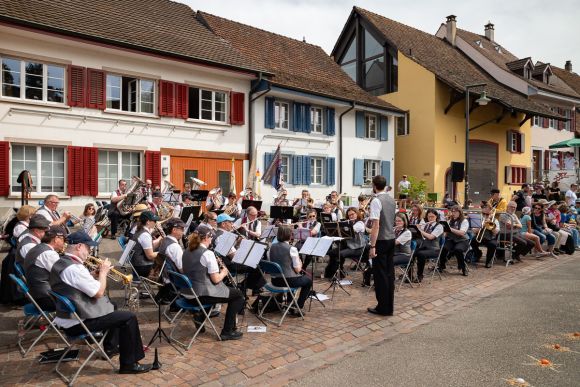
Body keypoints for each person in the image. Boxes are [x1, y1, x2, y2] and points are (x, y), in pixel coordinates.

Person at [51, 231, 151, 374]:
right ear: (79, 246)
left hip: (67, 318)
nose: (90, 251)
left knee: (112, 306)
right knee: (128, 318)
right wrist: (103, 274)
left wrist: (93, 275)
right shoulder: (75, 269)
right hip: (77, 323)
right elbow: (98, 293)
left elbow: (75, 283)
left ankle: (111, 347)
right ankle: (129, 364)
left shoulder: (63, 262)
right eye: (88, 247)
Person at [182, 224, 244, 340]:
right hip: (200, 295)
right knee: (238, 295)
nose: (212, 240)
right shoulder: (207, 254)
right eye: (211, 237)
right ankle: (227, 331)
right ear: (206, 237)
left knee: (222, 290)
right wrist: (224, 272)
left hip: (187, 293)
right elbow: (216, 279)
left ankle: (200, 317)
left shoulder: (186, 250)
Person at [367, 175, 396, 316]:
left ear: (374, 186)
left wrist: (372, 246)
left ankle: (383, 307)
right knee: (389, 274)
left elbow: (376, 225)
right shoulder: (391, 199)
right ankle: (388, 306)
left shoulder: (376, 201)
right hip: (391, 238)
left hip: (381, 240)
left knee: (381, 275)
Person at [268, 225, 312, 315]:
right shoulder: (292, 249)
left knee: (292, 276)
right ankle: (298, 307)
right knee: (308, 280)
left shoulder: (271, 247)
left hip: (275, 281)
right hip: (288, 281)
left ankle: (289, 304)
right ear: (290, 235)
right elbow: (298, 270)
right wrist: (300, 262)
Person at [24, 227, 65, 310]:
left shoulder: (37, 248)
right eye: (64, 239)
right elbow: (64, 275)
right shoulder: (48, 254)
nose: (65, 242)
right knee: (82, 295)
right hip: (46, 298)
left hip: (37, 294)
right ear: (56, 239)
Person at [324, 208, 366, 279]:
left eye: (353, 214)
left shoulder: (360, 224)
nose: (351, 216)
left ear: (357, 214)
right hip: (349, 246)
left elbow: (351, 231)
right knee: (332, 253)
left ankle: (339, 273)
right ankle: (330, 273)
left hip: (357, 248)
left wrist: (342, 227)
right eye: (349, 215)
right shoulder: (350, 223)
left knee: (339, 254)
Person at [154, 218, 185, 304]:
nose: (183, 231)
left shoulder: (165, 240)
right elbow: (182, 269)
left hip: (165, 278)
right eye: (182, 229)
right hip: (174, 280)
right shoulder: (175, 247)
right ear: (174, 230)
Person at [438, 205, 470, 276]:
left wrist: (450, 229)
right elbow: (446, 233)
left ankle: (463, 268)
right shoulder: (449, 221)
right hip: (451, 240)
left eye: (455, 212)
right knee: (443, 247)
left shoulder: (464, 221)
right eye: (452, 211)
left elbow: (462, 233)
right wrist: (442, 232)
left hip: (462, 240)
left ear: (459, 212)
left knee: (458, 249)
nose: (453, 213)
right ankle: (442, 265)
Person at [415, 209, 444, 282]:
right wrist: (416, 228)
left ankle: (420, 275)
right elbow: (420, 235)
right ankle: (409, 275)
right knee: (412, 253)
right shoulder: (426, 224)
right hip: (425, 247)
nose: (430, 218)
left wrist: (420, 230)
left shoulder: (439, 226)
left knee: (420, 254)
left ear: (436, 217)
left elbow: (431, 237)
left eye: (432, 217)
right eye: (429, 217)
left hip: (434, 249)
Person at [130, 211, 162, 277]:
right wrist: (163, 252)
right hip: (142, 267)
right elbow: (150, 256)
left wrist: (159, 240)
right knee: (165, 260)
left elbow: (147, 247)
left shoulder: (139, 230)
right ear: (148, 222)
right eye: (154, 221)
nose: (155, 223)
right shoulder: (145, 235)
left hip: (137, 264)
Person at [470, 203, 499, 268]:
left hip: (490, 238)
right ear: (482, 209)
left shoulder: (495, 220)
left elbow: (496, 232)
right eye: (484, 208)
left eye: (488, 209)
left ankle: (488, 261)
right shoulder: (477, 218)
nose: (486, 210)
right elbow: (474, 231)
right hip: (480, 237)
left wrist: (490, 224)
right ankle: (478, 254)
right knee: (472, 241)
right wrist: (482, 225)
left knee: (493, 245)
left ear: (490, 211)